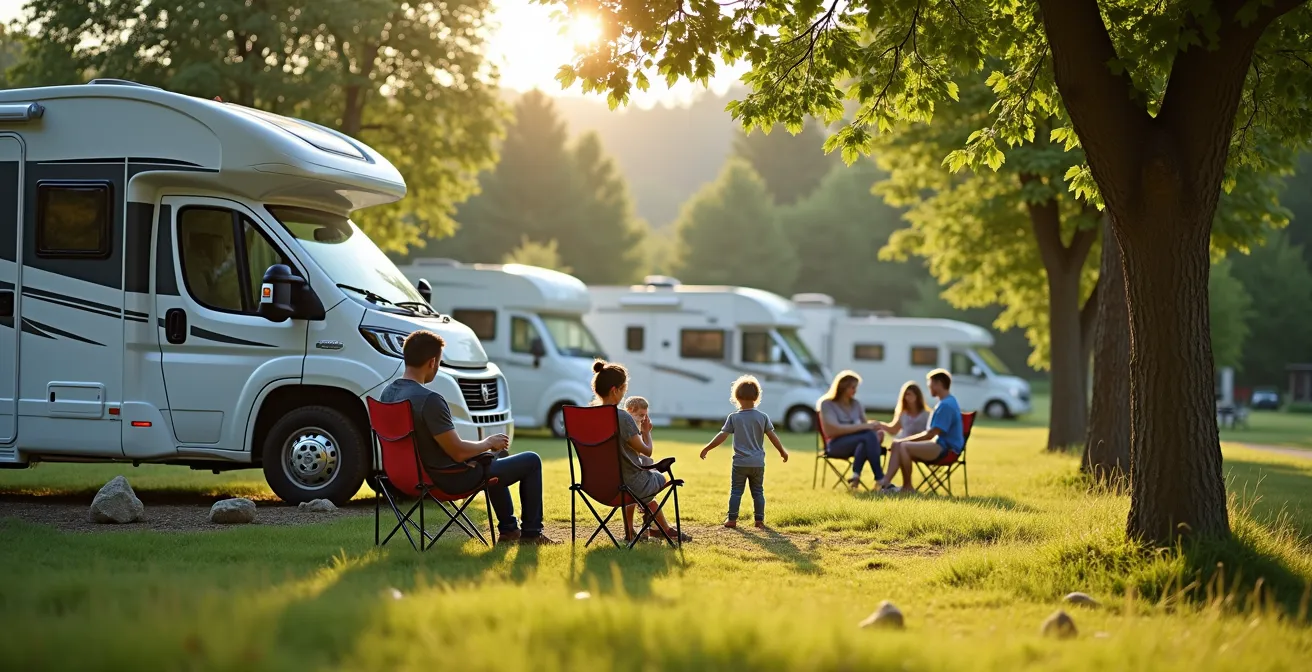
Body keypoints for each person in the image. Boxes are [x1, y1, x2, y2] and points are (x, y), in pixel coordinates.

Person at [379, 330, 557, 544]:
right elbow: (458, 451)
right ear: (432, 362)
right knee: (531, 460)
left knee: (498, 456)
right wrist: (488, 442)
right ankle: (531, 534)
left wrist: (489, 450)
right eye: (440, 363)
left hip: (402, 477)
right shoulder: (429, 400)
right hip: (446, 479)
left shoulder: (387, 395)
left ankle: (509, 530)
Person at [592, 360, 691, 542]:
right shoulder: (622, 417)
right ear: (615, 390)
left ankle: (640, 530)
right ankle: (660, 528)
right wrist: (646, 432)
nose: (624, 395)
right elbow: (647, 451)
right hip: (627, 484)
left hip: (595, 485)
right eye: (624, 390)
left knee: (640, 478)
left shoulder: (589, 415)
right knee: (663, 477)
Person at [699, 376, 789, 528]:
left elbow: (722, 436)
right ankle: (759, 520)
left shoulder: (734, 417)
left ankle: (732, 519)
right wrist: (782, 451)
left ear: (736, 397)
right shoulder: (763, 417)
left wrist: (707, 448)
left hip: (740, 463)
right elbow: (773, 436)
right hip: (758, 463)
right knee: (758, 492)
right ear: (757, 397)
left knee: (736, 491)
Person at [876, 369, 965, 493]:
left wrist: (903, 440)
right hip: (941, 445)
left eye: (931, 384)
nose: (929, 387)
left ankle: (906, 487)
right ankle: (885, 484)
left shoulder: (946, 405)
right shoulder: (945, 402)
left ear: (938, 384)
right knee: (898, 444)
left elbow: (931, 434)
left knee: (902, 446)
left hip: (946, 449)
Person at [816, 370, 885, 489]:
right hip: (836, 445)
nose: (855, 390)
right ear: (843, 387)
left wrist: (875, 431)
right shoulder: (827, 404)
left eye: (856, 387)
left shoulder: (856, 404)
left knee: (867, 439)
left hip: (858, 443)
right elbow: (833, 430)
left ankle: (856, 475)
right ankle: (880, 479)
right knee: (867, 436)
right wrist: (865, 427)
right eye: (852, 387)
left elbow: (865, 428)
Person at [621, 395, 657, 541]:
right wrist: (647, 433)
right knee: (655, 471)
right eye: (641, 415)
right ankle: (651, 526)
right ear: (629, 410)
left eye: (645, 415)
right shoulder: (628, 426)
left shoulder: (628, 424)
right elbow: (645, 450)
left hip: (622, 474)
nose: (643, 419)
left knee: (649, 463)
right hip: (629, 477)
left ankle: (648, 524)